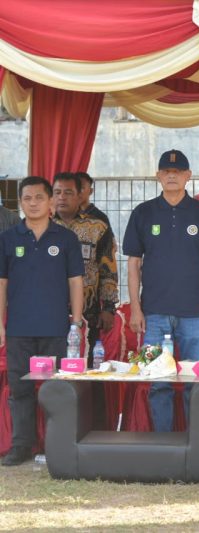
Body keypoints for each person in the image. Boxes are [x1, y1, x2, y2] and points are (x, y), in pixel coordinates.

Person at [123, 149, 199, 432]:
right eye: (166, 172)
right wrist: (135, 307)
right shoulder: (143, 212)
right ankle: (163, 442)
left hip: (196, 314)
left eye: (178, 172)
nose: (172, 176)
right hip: (153, 313)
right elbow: (133, 263)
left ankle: (196, 443)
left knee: (197, 383)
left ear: (188, 176)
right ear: (158, 176)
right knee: (158, 383)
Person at [0, 176, 84, 466]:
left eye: (39, 198)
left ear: (50, 202)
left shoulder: (66, 238)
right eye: (27, 198)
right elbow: (1, 284)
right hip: (19, 329)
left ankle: (55, 445)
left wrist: (76, 320)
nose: (33, 203)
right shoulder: (8, 239)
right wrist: (1, 324)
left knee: (55, 390)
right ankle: (21, 446)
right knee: (20, 390)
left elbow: (76, 282)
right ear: (20, 203)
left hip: (56, 329)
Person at [53, 172, 118, 349]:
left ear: (79, 195)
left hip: (88, 312)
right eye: (57, 192)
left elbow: (108, 270)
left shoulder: (97, 227)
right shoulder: (42, 226)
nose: (62, 197)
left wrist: (109, 307)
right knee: (50, 365)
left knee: (85, 364)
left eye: (68, 192)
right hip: (48, 309)